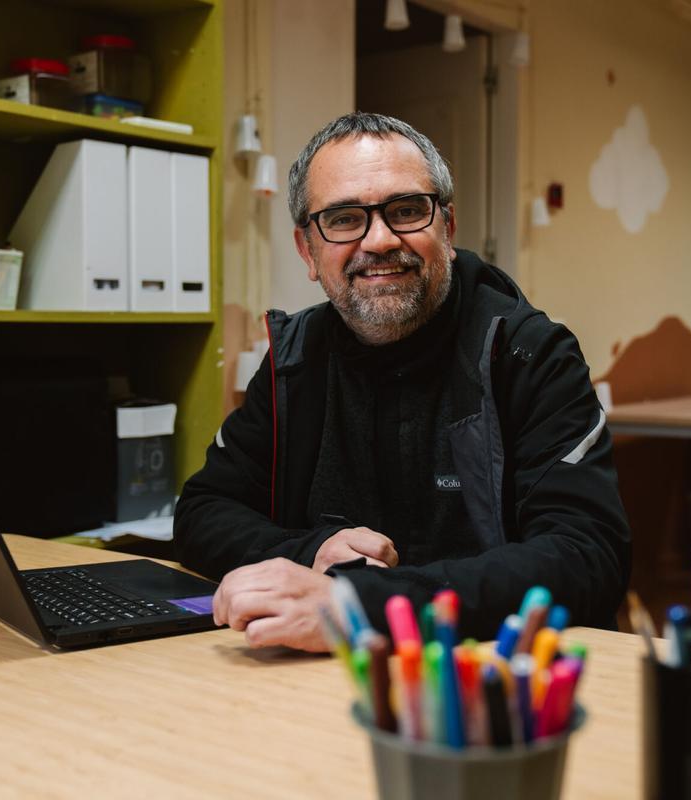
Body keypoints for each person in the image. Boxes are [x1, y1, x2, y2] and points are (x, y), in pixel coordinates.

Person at [175, 112, 630, 652]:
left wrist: (361, 606)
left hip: (495, 680)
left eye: (408, 210)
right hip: (308, 685)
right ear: (307, 252)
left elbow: (587, 554)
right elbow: (202, 511)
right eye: (344, 219)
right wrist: (312, 552)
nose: (381, 239)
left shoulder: (530, 354)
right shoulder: (293, 360)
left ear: (448, 228)